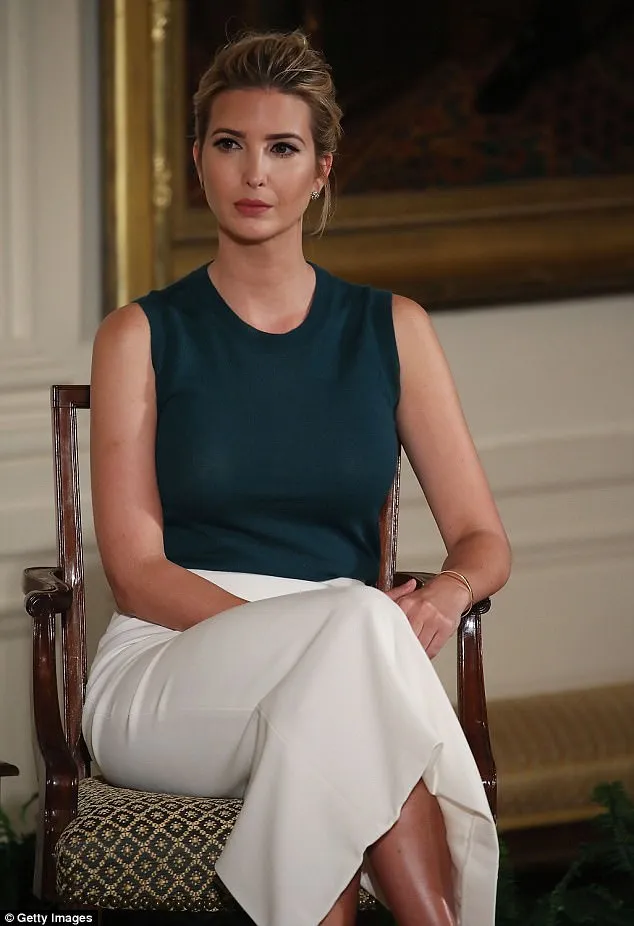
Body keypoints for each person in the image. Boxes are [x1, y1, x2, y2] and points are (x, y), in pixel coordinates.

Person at [83, 29, 511, 926]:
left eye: (282, 148)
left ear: (321, 171)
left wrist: (445, 593)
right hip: (168, 664)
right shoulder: (139, 335)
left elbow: (483, 541)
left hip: (347, 661)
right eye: (229, 144)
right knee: (356, 637)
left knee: (346, 683)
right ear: (197, 160)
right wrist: (313, 641)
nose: (254, 173)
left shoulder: (393, 328)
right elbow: (136, 573)